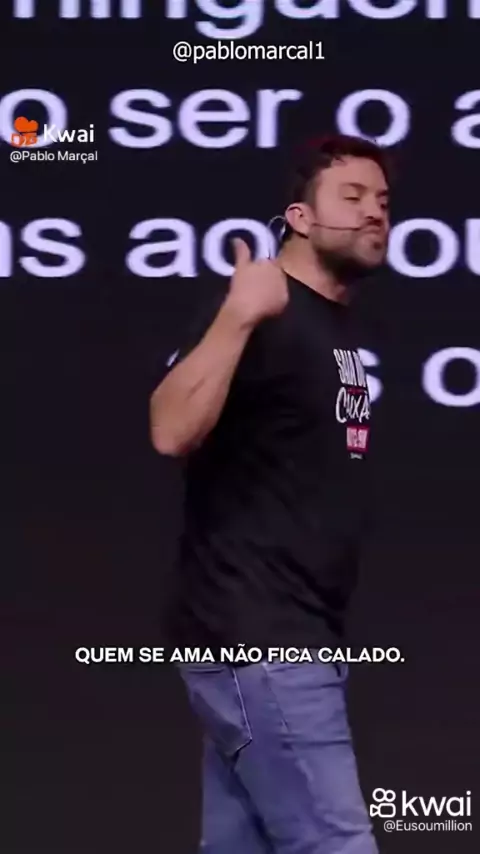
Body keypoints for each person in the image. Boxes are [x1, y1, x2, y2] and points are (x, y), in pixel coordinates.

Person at [149, 134, 391, 854]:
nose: (375, 213)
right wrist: (239, 314)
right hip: (263, 639)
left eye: (383, 201)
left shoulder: (329, 323)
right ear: (300, 218)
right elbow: (169, 429)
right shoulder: (259, 309)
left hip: (283, 640)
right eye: (353, 197)